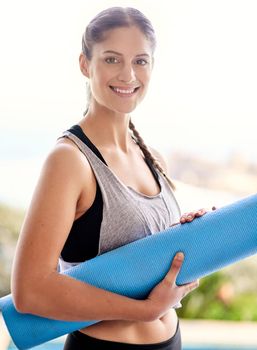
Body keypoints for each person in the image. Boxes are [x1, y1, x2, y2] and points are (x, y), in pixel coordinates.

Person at [11, 7, 207, 350]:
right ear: (85, 64)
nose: (128, 74)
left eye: (141, 61)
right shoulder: (69, 161)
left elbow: (143, 258)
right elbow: (29, 290)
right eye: (112, 59)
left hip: (170, 340)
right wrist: (142, 312)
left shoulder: (150, 156)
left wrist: (186, 240)